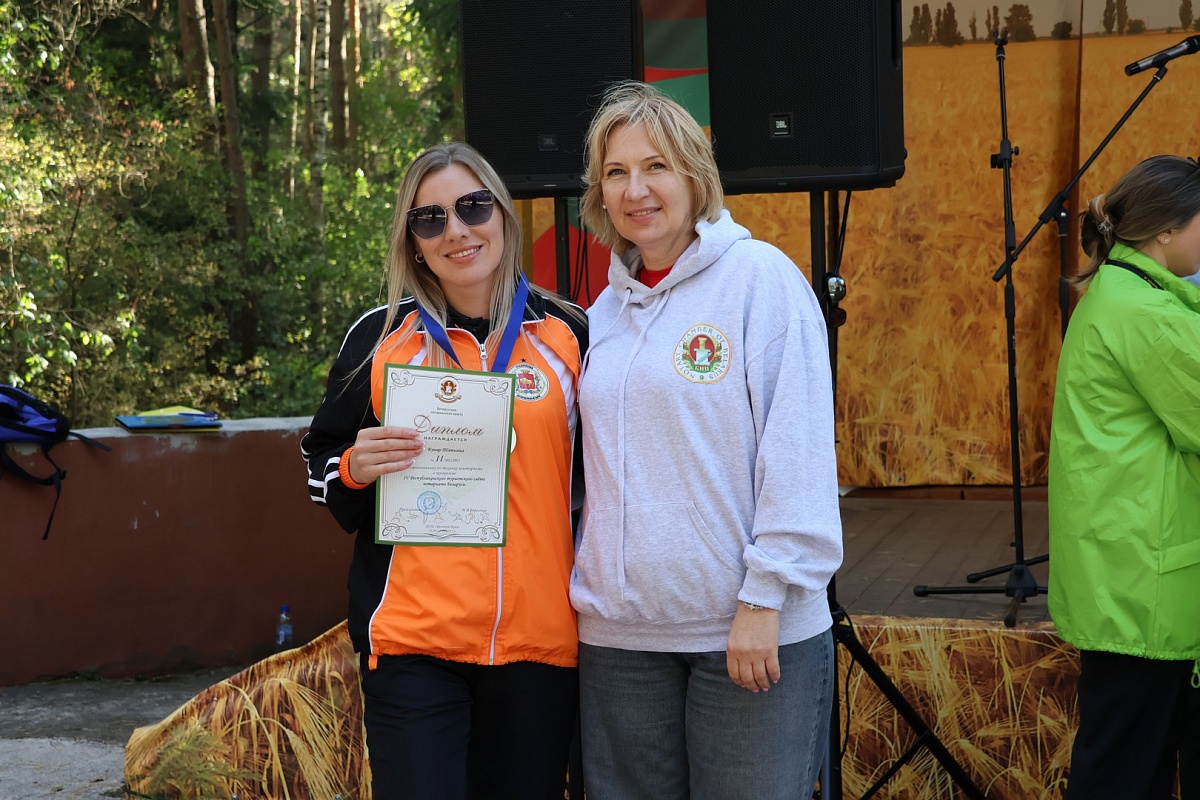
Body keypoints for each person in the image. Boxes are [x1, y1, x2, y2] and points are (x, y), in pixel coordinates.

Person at [568, 80, 843, 799]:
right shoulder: (602, 315)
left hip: (746, 632)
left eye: (655, 166)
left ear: (694, 175)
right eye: (616, 172)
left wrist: (764, 598)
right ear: (600, 194)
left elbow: (797, 451)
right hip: (621, 643)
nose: (636, 190)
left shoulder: (761, 281)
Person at [300, 141, 587, 800]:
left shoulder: (570, 333)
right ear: (413, 241)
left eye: (473, 207)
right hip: (413, 648)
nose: (456, 230)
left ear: (503, 215)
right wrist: (354, 466)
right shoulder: (380, 337)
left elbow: (604, 480)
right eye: (430, 219)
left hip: (539, 646)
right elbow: (321, 458)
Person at [1048, 154, 1200, 800]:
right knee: (1124, 776)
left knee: (1123, 766)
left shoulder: (1119, 294)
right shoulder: (1146, 314)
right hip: (1145, 595)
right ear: (1166, 229)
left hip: (1125, 582)